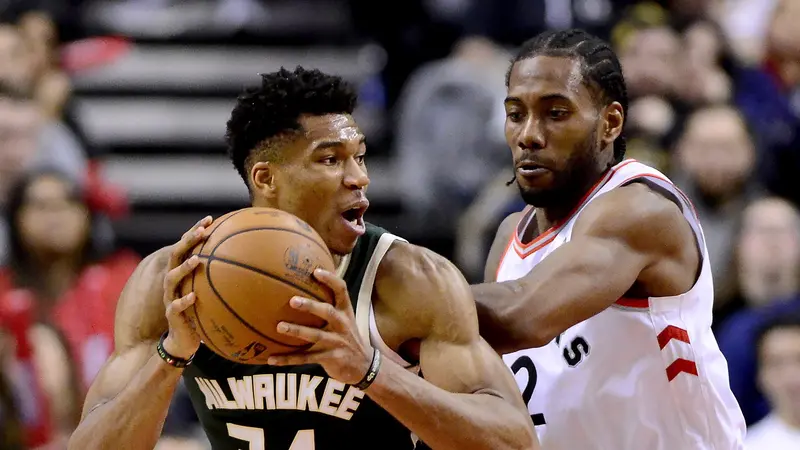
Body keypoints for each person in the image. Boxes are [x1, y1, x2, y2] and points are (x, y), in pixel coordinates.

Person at [67, 67, 536, 450]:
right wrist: (172, 357)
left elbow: (515, 443)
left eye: (360, 157)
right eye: (331, 160)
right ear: (266, 177)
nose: (359, 178)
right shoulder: (176, 278)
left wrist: (371, 370)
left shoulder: (408, 278)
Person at [471, 29, 746, 449]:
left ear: (611, 122)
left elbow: (521, 317)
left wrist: (378, 273)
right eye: (516, 114)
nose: (529, 134)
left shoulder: (637, 210)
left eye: (555, 113)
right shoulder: (509, 238)